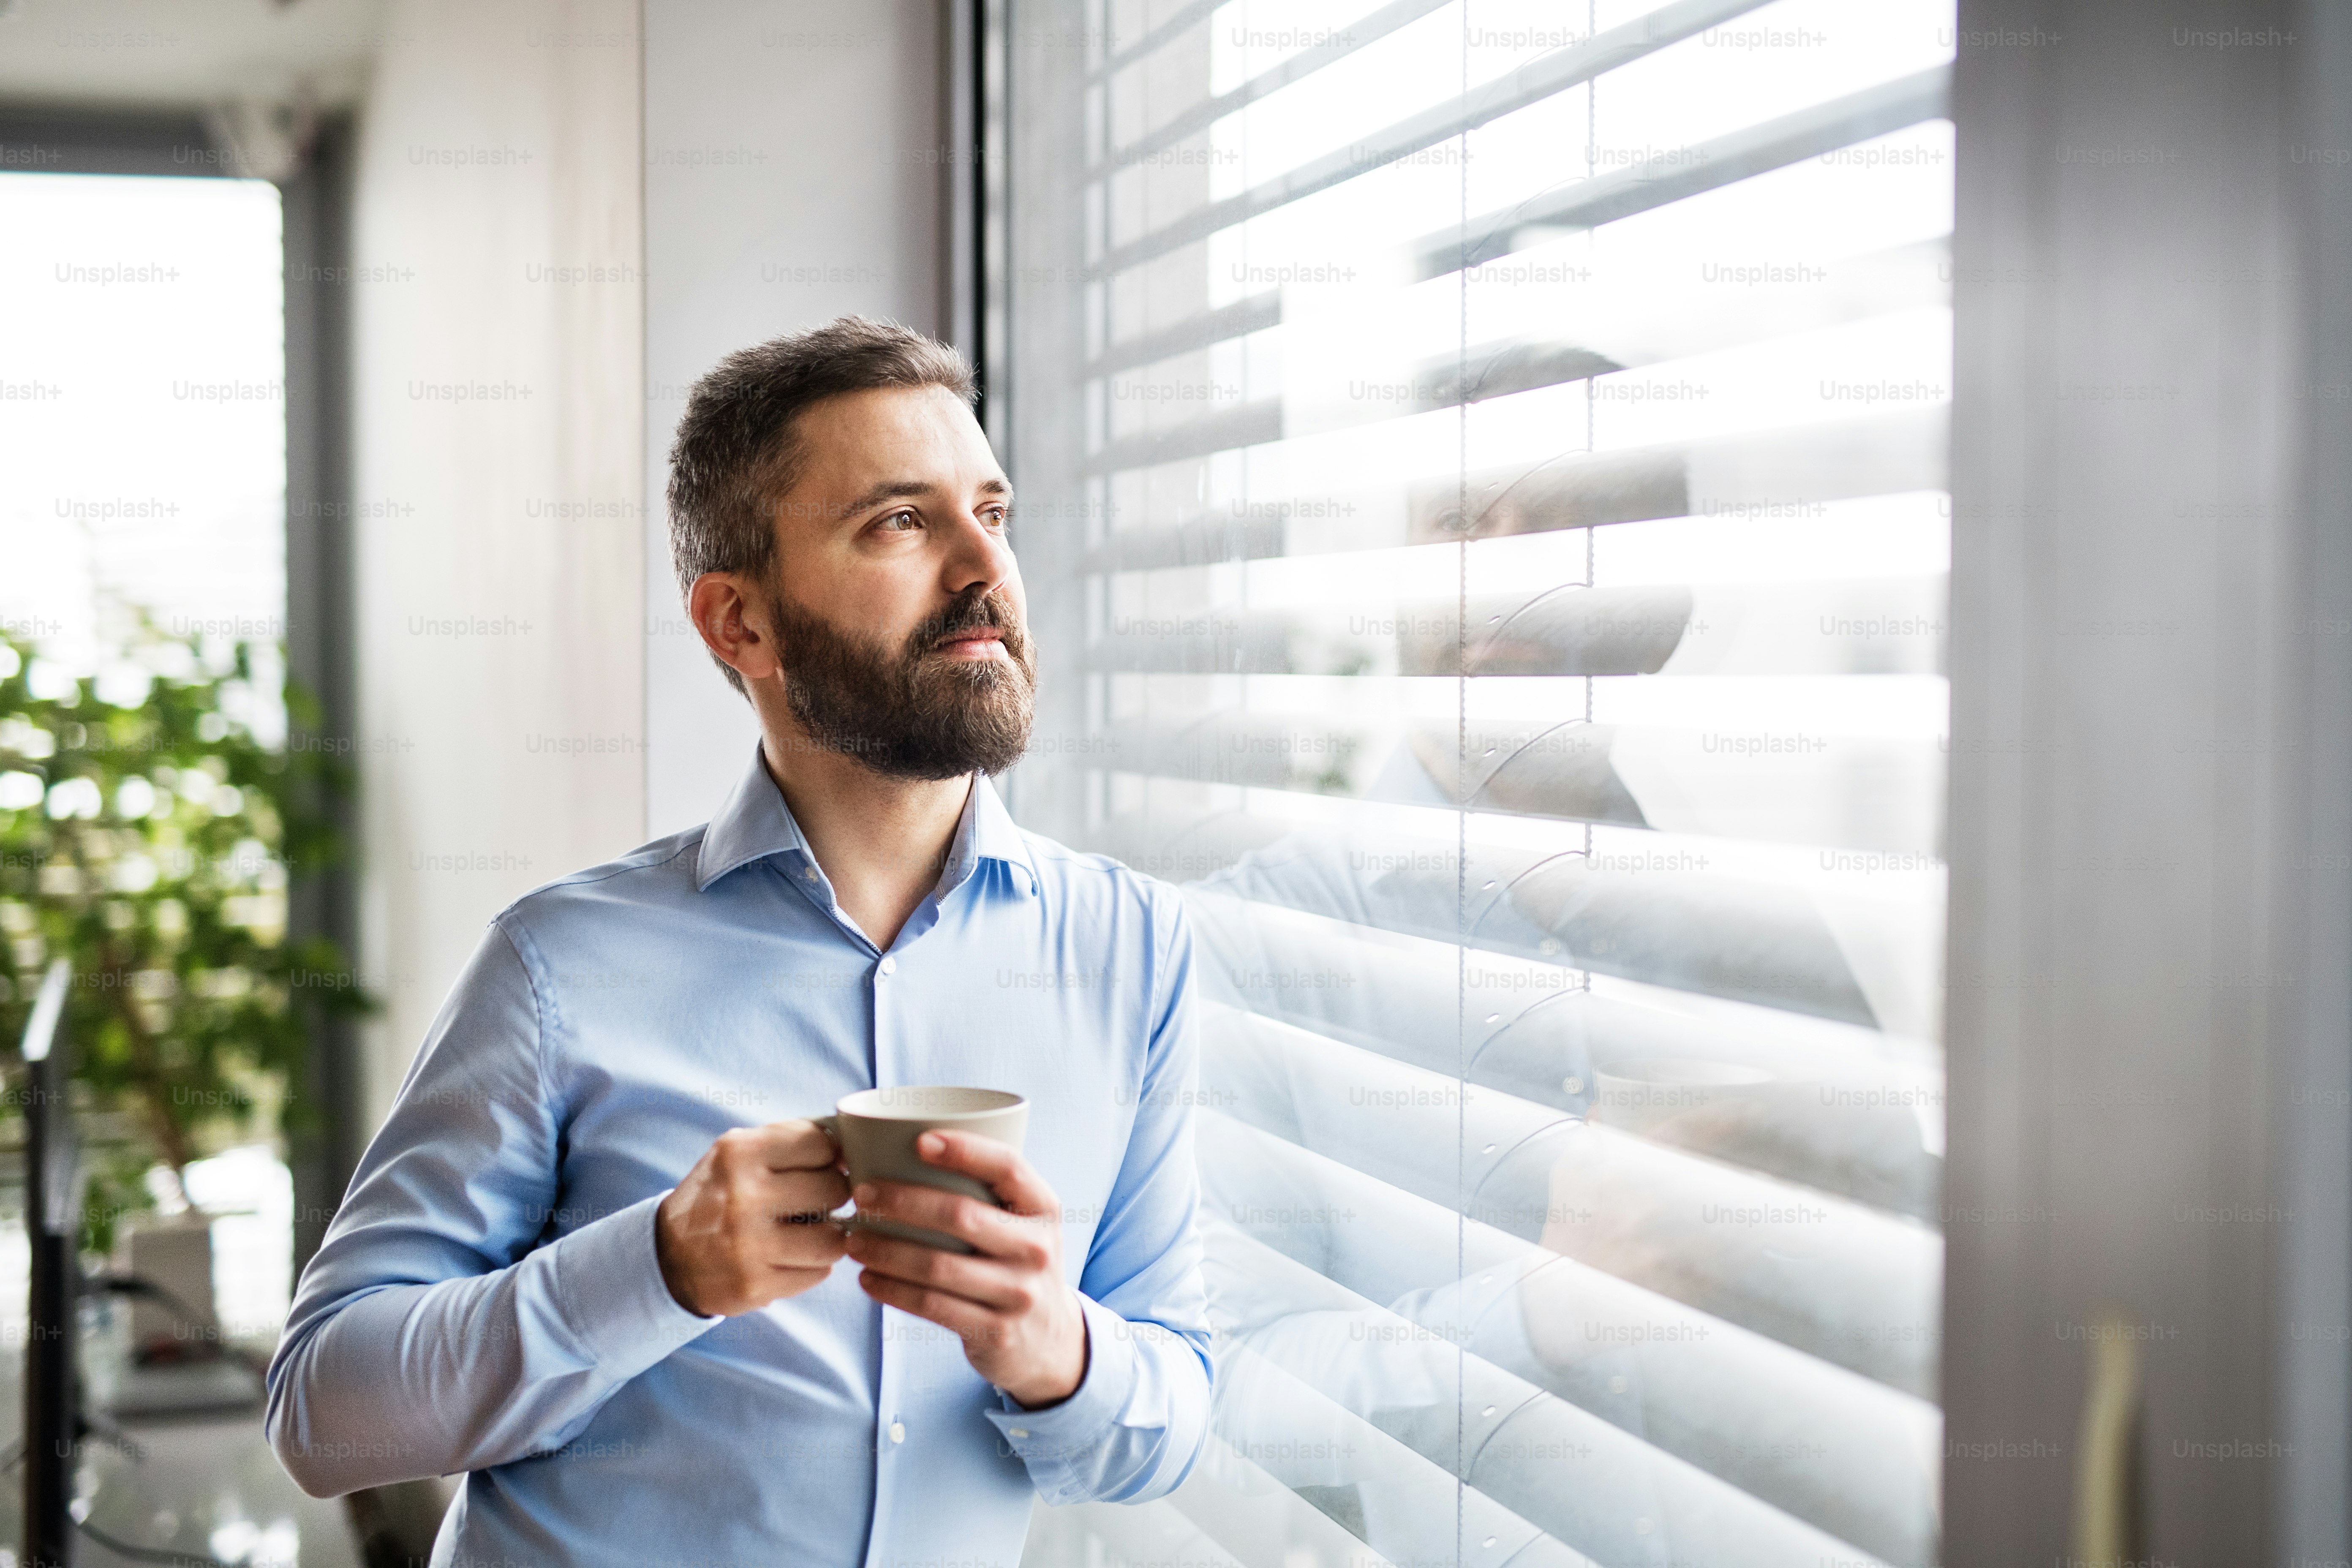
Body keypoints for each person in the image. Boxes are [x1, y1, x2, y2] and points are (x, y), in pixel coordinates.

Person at [266, 317, 1214, 1567]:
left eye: (994, 510)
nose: (987, 566)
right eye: (901, 523)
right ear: (740, 625)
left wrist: (1057, 1350)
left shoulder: (1133, 949)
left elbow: (1172, 1420)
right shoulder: (559, 966)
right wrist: (655, 1270)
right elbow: (322, 1414)